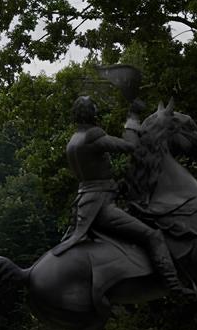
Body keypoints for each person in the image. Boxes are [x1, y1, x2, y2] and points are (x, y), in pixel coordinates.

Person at [52, 95, 186, 295]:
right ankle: (174, 286)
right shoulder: (92, 137)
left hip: (85, 203)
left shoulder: (74, 139)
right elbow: (130, 146)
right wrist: (132, 118)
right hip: (101, 205)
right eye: (95, 109)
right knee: (152, 236)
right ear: (92, 114)